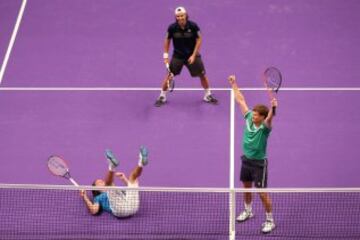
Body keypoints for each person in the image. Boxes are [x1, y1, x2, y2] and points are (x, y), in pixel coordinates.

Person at [228, 75, 277, 233]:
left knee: (262, 193)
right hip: (246, 161)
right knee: (246, 188)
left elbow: (270, 118)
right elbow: (240, 100)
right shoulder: (249, 118)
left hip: (259, 164)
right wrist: (234, 84)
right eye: (254, 113)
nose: (253, 115)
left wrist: (274, 108)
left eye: (257, 115)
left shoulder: (265, 128)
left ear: (262, 117)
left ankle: (270, 220)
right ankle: (248, 211)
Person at [155, 6, 218, 107]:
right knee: (169, 76)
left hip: (192, 56)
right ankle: (162, 96)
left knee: (202, 75)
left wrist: (193, 55)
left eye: (182, 16)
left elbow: (199, 39)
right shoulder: (172, 28)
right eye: (178, 16)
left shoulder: (193, 26)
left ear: (186, 15)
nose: (180, 18)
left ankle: (207, 95)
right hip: (178, 56)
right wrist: (165, 55)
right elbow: (167, 40)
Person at [80, 146, 148, 218]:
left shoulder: (117, 189)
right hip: (120, 210)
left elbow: (131, 190)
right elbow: (94, 210)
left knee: (132, 178)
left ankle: (141, 162)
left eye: (102, 181)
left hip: (133, 206)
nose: (102, 182)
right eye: (99, 183)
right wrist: (85, 197)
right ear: (97, 190)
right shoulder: (98, 198)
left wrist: (124, 179)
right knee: (109, 185)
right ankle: (111, 166)